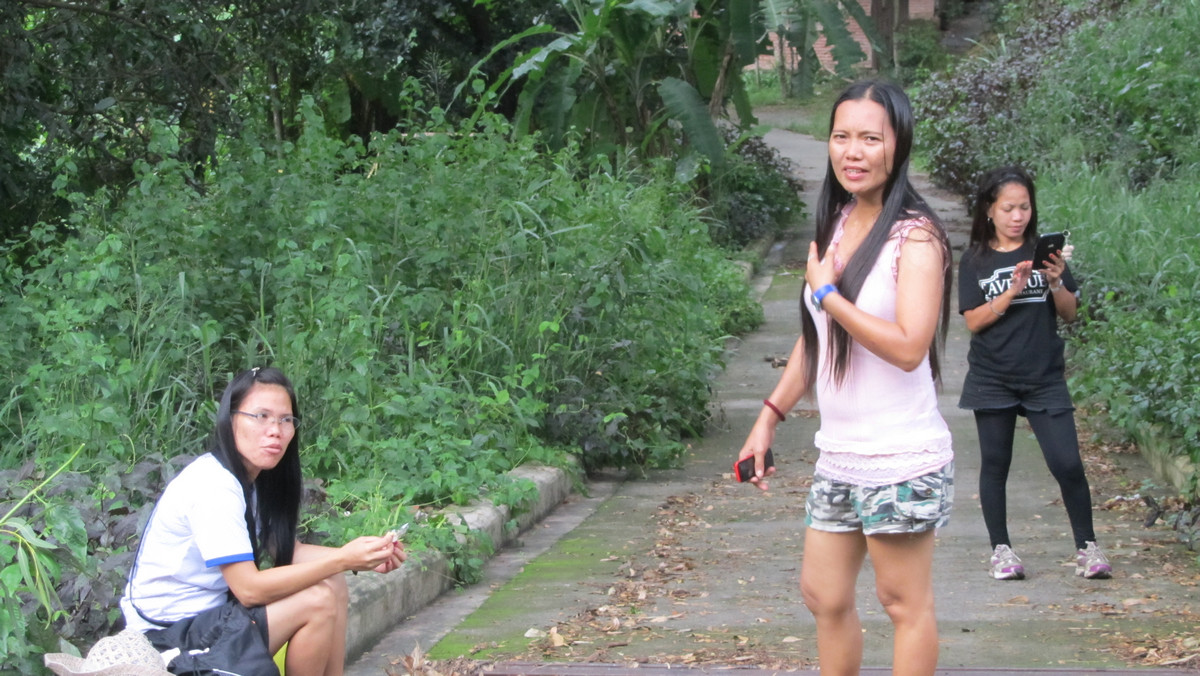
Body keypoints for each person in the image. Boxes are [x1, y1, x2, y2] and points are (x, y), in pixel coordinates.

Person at [736, 80, 954, 676]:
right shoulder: (837, 221)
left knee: (902, 602)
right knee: (823, 595)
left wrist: (829, 295)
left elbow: (909, 348)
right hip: (840, 455)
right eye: (840, 136)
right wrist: (769, 417)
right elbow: (816, 340)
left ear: (898, 144)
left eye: (870, 139)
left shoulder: (916, 236)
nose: (852, 152)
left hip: (900, 458)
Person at [120, 367, 407, 676]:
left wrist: (363, 557)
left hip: (210, 621)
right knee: (318, 600)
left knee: (332, 582)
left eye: (286, 420)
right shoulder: (214, 486)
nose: (275, 430)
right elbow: (249, 590)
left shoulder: (249, 480)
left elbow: (290, 551)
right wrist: (342, 559)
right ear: (230, 420)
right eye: (261, 416)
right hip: (167, 640)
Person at [958, 165, 1112, 581]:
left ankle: (1087, 548)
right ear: (989, 210)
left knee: (1068, 463)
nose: (1017, 216)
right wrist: (1013, 288)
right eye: (1008, 208)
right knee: (995, 465)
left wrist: (1056, 282)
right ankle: (1002, 550)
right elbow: (973, 321)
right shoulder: (975, 260)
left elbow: (1071, 314)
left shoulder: (1046, 254)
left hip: (1044, 375)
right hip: (992, 376)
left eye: (1024, 207)